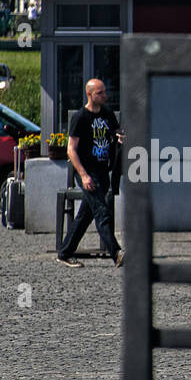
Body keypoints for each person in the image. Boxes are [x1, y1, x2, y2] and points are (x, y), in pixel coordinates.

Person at [56, 78, 124, 268]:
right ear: (89, 94)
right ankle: (116, 253)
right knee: (102, 211)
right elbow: (71, 149)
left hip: (102, 171)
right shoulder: (80, 117)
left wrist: (119, 138)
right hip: (86, 171)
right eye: (100, 93)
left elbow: (115, 133)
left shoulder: (108, 114)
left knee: (86, 215)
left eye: (104, 92)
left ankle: (65, 252)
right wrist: (84, 175)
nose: (104, 96)